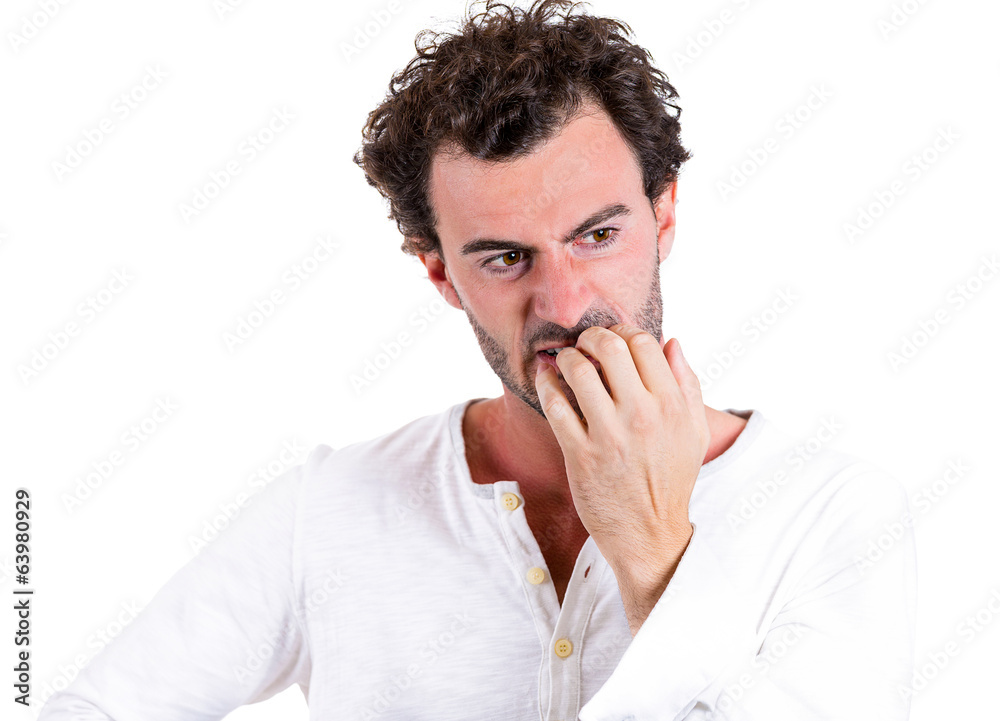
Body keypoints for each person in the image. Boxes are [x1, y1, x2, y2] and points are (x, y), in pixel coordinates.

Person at [39, 1, 916, 719]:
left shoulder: (830, 513)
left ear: (665, 215)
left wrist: (653, 554)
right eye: (505, 257)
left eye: (597, 235)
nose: (564, 304)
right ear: (440, 273)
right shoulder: (329, 512)